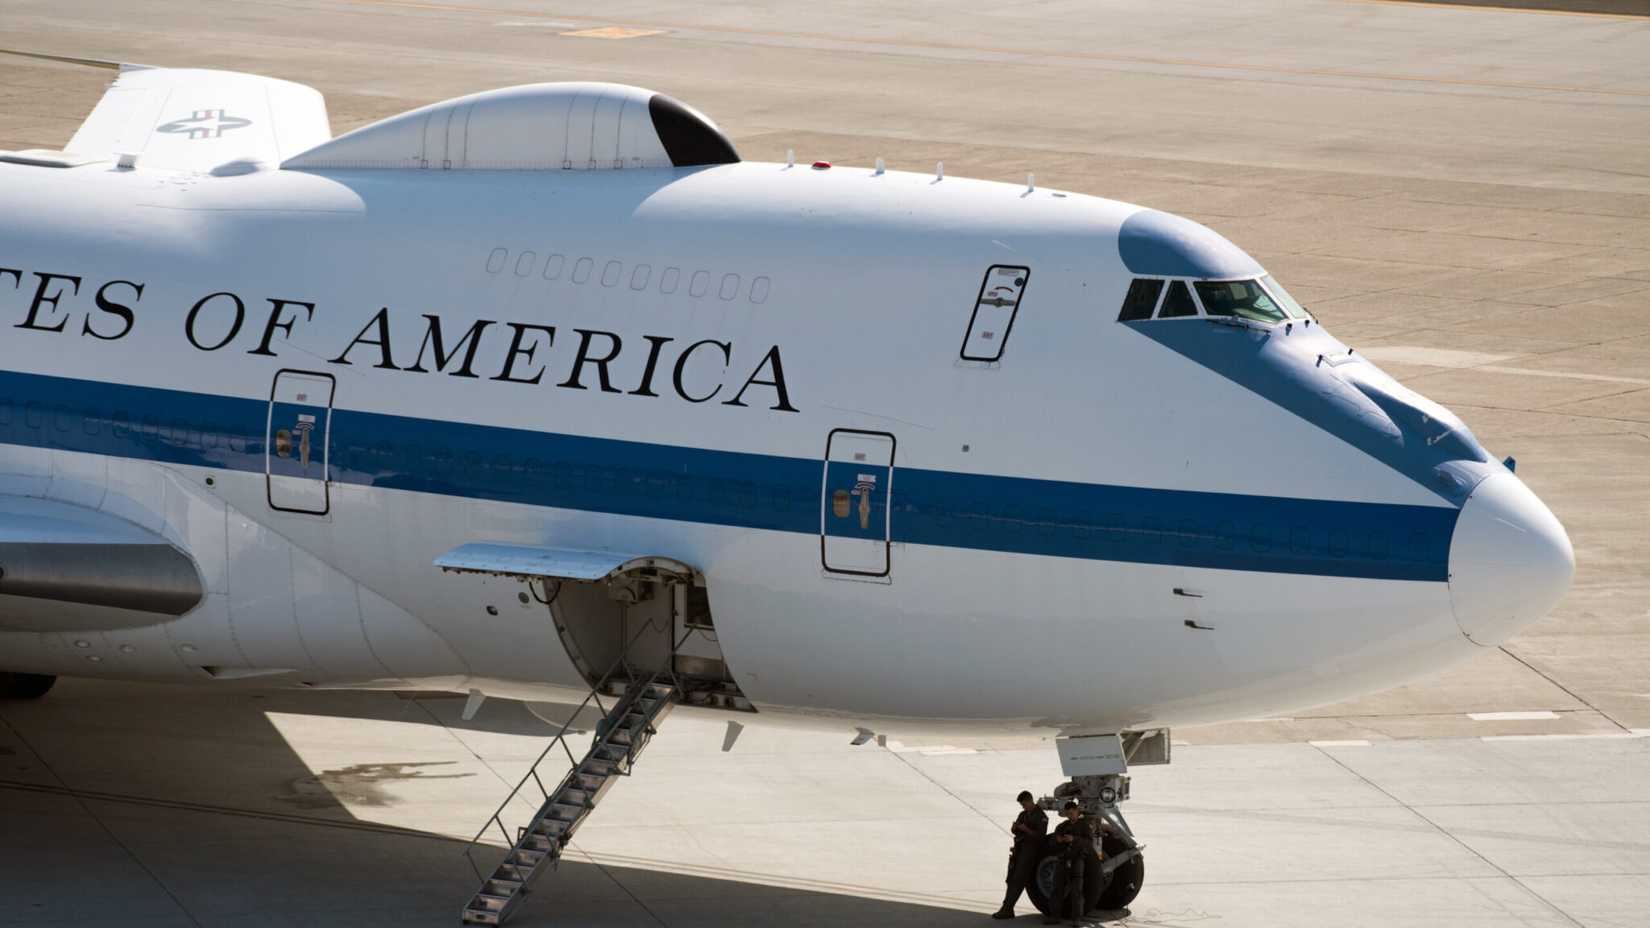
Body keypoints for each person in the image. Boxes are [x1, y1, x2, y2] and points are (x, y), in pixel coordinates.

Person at [992, 790, 1047, 919]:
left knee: (1018, 880)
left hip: (1029, 852)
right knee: (1011, 879)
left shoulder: (1041, 816)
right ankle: (1007, 908)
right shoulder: (1023, 814)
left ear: (1029, 800)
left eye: (1024, 804)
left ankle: (1007, 908)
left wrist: (1026, 829)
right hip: (1019, 850)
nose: (1023, 807)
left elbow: (1040, 836)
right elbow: (1016, 832)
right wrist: (1015, 828)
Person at [1044, 801, 1097, 926]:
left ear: (1077, 811)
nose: (1070, 816)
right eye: (1068, 814)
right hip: (1062, 859)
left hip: (1077, 860)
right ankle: (1054, 916)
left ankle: (1077, 919)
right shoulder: (1062, 826)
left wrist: (1074, 839)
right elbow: (1052, 841)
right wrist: (1059, 840)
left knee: (1076, 891)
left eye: (1072, 813)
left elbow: (1089, 843)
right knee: (1057, 889)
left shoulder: (1084, 826)